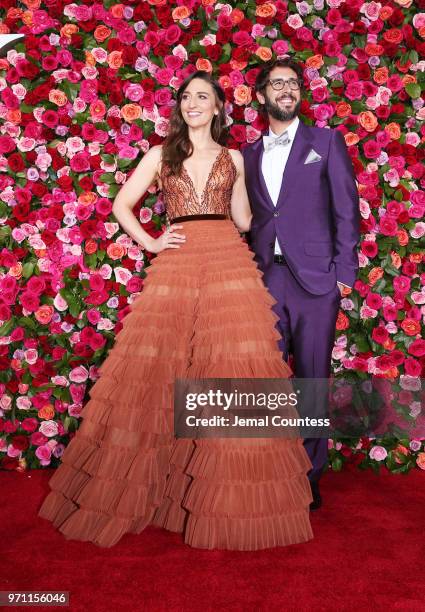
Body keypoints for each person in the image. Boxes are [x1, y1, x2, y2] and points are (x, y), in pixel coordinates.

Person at [38, 70, 314, 550]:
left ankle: (227, 501)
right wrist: (152, 241)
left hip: (229, 261)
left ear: (218, 107)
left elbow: (246, 218)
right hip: (179, 261)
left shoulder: (234, 157)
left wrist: (292, 209)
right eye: (186, 97)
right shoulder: (160, 155)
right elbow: (123, 204)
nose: (193, 104)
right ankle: (165, 492)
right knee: (159, 376)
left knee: (231, 373)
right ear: (180, 106)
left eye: (202, 97)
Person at [242, 58, 360, 510]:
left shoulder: (326, 142)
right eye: (278, 84)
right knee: (265, 379)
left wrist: (343, 275)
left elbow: (347, 210)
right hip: (265, 278)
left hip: (316, 283)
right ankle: (266, 471)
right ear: (261, 96)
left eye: (293, 83)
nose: (287, 90)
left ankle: (308, 477)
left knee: (312, 380)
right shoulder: (248, 155)